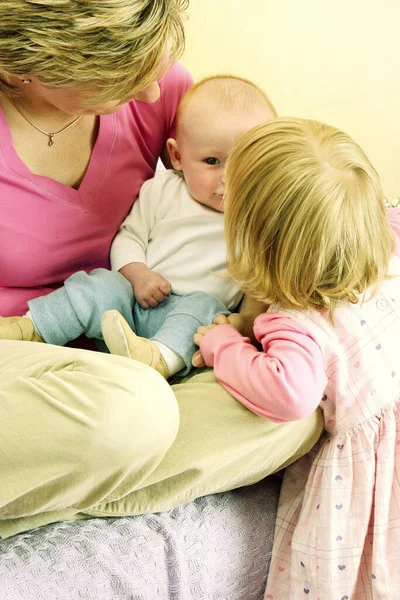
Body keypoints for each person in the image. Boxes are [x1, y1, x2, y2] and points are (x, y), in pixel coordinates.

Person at [0, 0, 323, 538]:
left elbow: (259, 178)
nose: (153, 93)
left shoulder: (160, 84)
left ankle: (49, 500)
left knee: (293, 412)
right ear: (26, 67)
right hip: (21, 356)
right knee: (135, 410)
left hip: (129, 352)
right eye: (120, 76)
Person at [178, 117, 399, 598]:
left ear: (257, 240)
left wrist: (222, 345)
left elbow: (290, 394)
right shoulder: (389, 249)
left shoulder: (297, 323)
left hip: (368, 479)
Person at [0, 76, 275, 379]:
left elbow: (260, 280)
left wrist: (245, 321)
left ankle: (156, 361)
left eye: (246, 164)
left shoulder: (258, 216)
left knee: (205, 307)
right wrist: (137, 274)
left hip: (181, 325)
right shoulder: (163, 190)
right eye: (212, 161)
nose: (229, 179)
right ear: (178, 156)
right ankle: (29, 327)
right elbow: (130, 236)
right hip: (130, 303)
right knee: (100, 283)